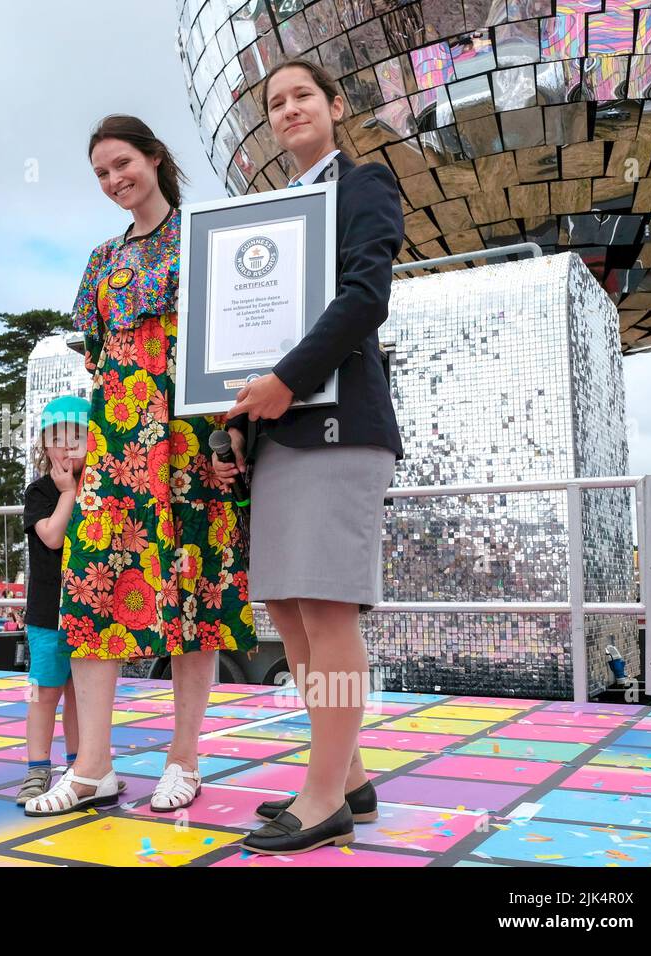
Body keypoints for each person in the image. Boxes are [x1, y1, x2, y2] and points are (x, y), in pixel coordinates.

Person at [25, 116, 255, 817]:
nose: (113, 179)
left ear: (155, 159)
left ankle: (183, 760)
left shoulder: (207, 234)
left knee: (195, 600)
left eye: (122, 163)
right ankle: (93, 766)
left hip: (192, 440)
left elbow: (237, 333)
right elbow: (95, 360)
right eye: (101, 172)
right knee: (94, 594)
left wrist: (226, 443)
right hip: (117, 443)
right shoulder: (99, 260)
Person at [216, 59, 404, 855]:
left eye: (302, 95)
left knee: (324, 607)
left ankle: (322, 794)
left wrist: (285, 381)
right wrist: (233, 419)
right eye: (275, 101)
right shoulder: (264, 218)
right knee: (291, 613)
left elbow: (366, 296)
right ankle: (349, 775)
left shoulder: (363, 188)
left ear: (333, 105)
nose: (289, 108)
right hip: (278, 434)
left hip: (338, 423)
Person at [16, 396, 92, 805]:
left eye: (77, 436)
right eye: (57, 438)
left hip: (87, 612)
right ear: (44, 445)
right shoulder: (40, 491)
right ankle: (37, 768)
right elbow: (52, 536)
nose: (66, 447)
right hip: (47, 615)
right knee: (44, 691)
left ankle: (81, 765)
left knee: (82, 694)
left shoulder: (100, 490)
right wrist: (67, 493)